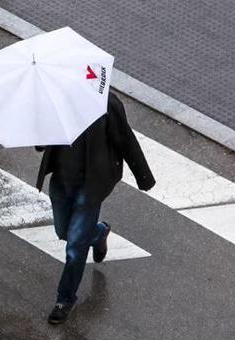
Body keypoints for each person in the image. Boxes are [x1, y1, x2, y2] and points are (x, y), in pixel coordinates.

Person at [35, 92, 155, 325]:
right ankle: (98, 233)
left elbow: (126, 139)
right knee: (63, 232)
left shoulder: (107, 104)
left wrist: (144, 177)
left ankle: (64, 298)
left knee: (75, 247)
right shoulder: (58, 99)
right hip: (61, 181)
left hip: (90, 186)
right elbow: (41, 143)